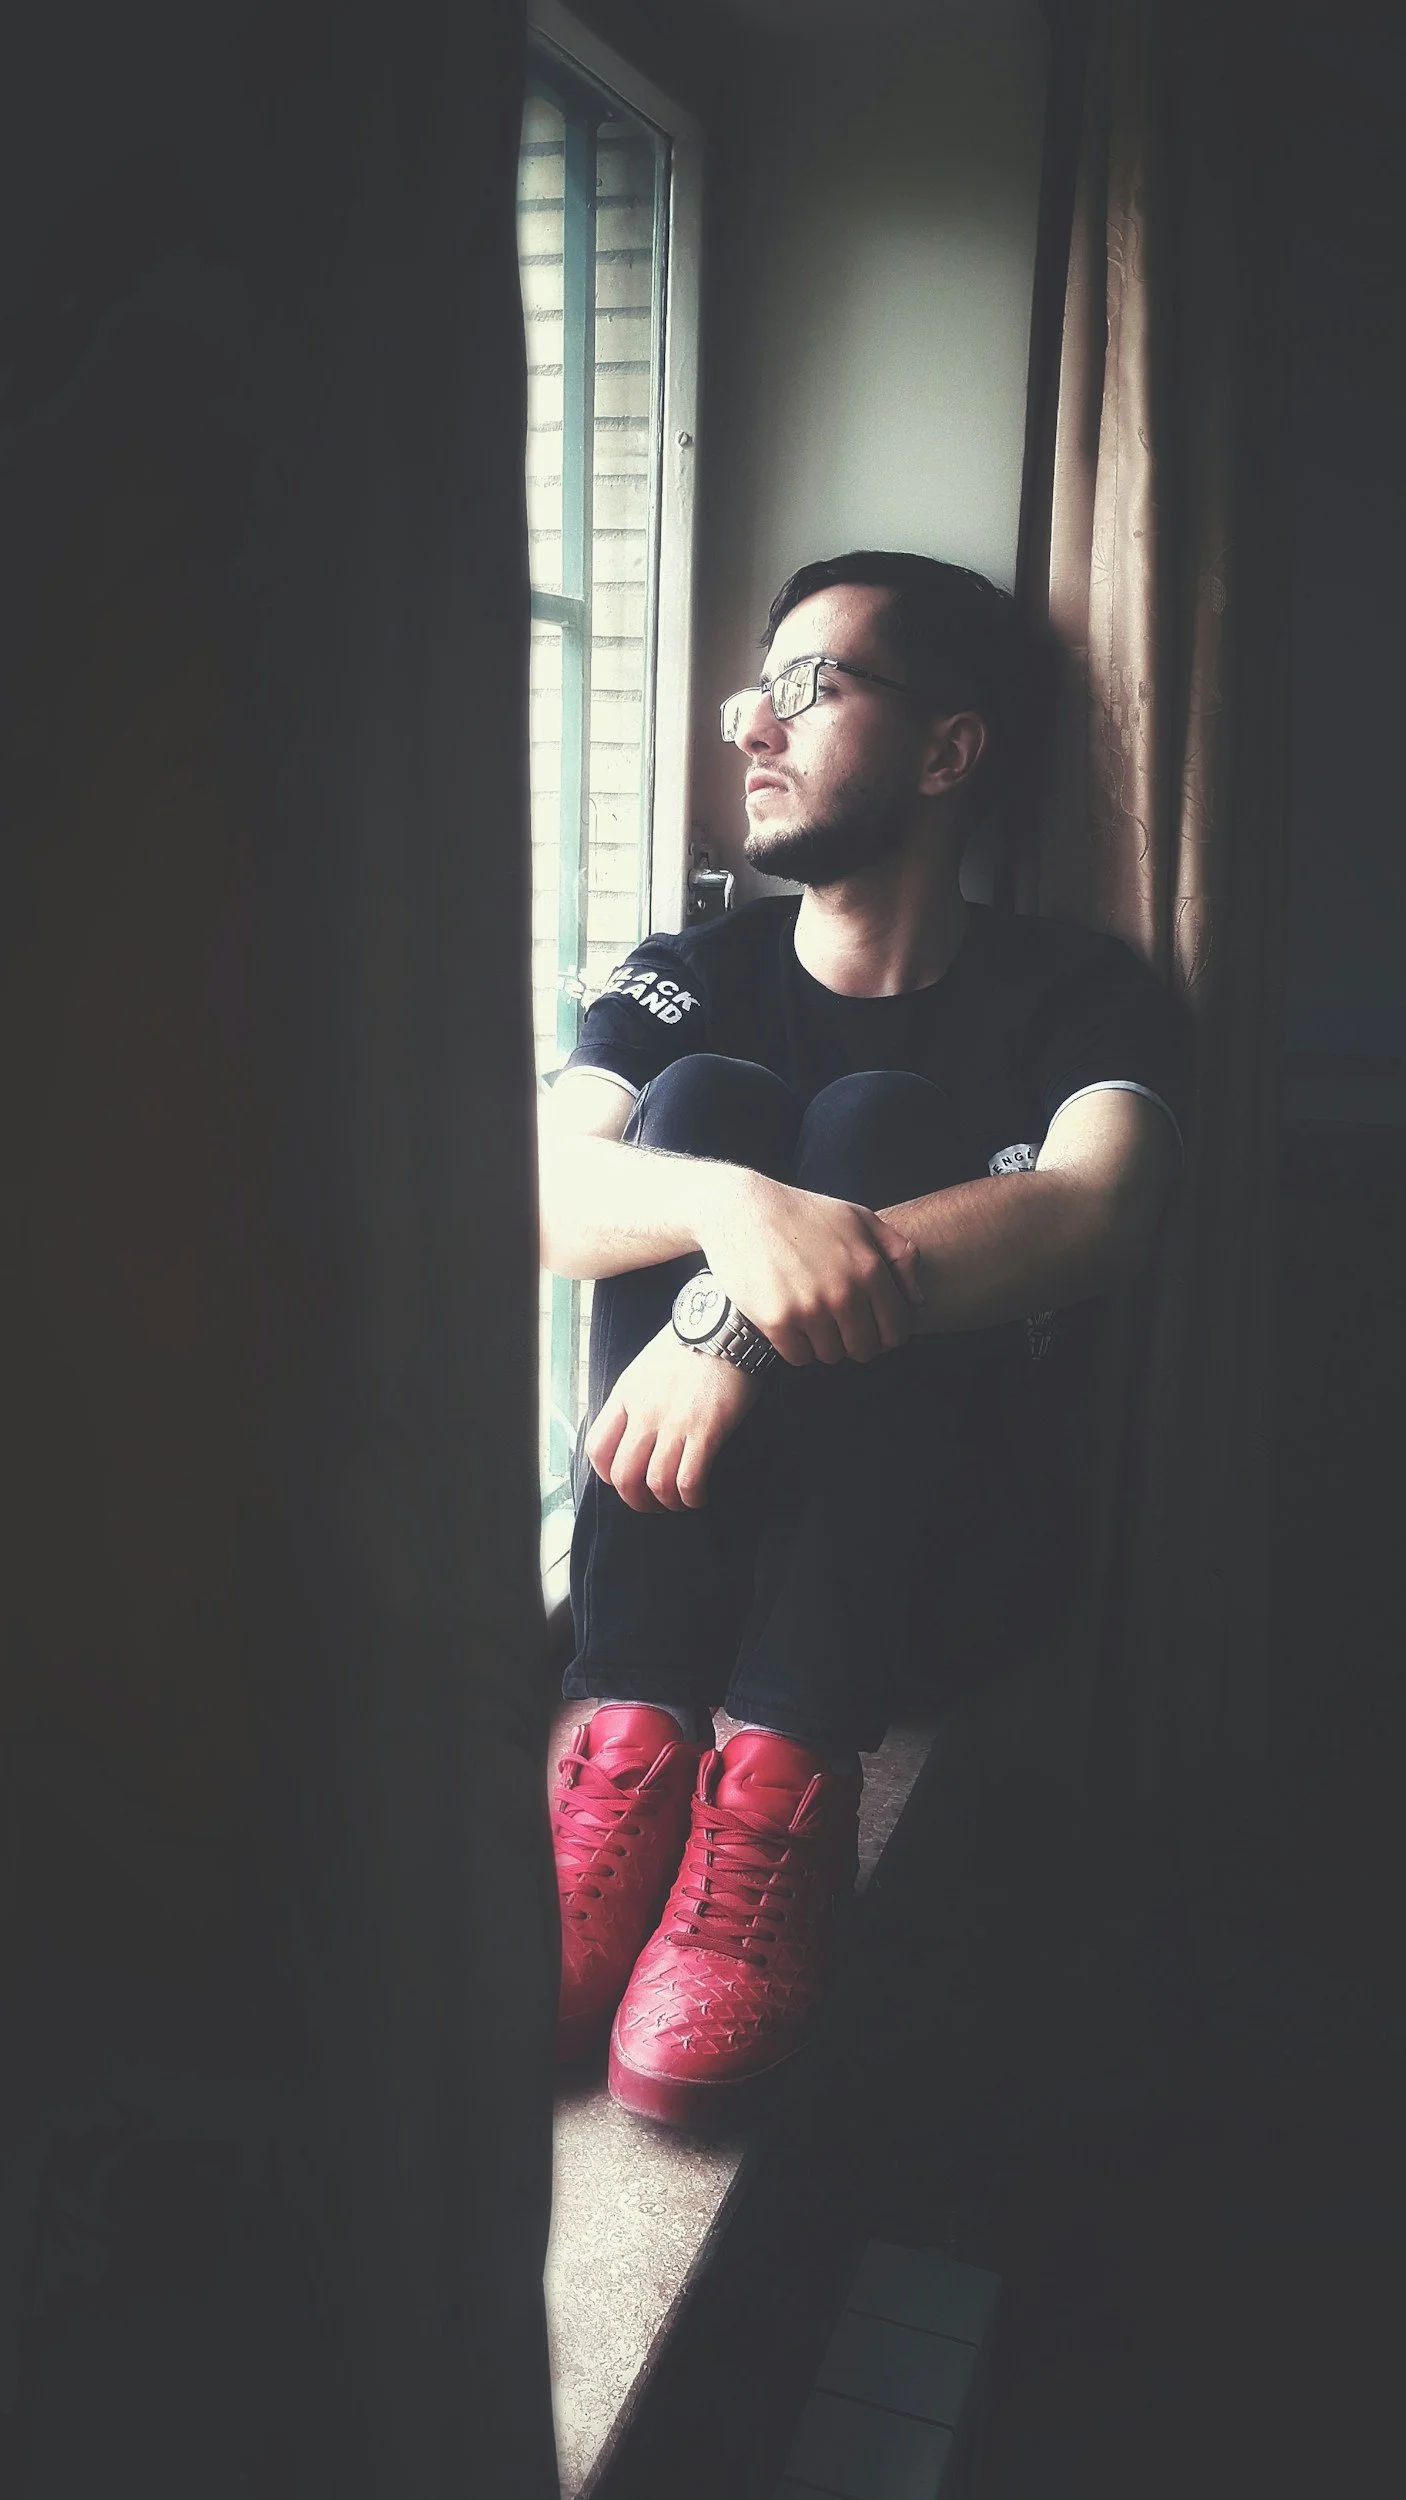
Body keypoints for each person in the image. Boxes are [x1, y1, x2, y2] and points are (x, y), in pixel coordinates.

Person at [538, 551, 1185, 2127]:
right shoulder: (686, 976)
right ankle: (623, 1746)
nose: (753, 726)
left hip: (924, 1575)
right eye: (756, 689)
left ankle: (779, 1792)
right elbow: (549, 1195)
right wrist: (739, 1214)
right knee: (704, 1118)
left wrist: (732, 1316)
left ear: (949, 752)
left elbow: (1098, 1209)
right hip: (678, 1576)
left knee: (883, 1123)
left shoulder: (1074, 991)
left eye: (813, 686)